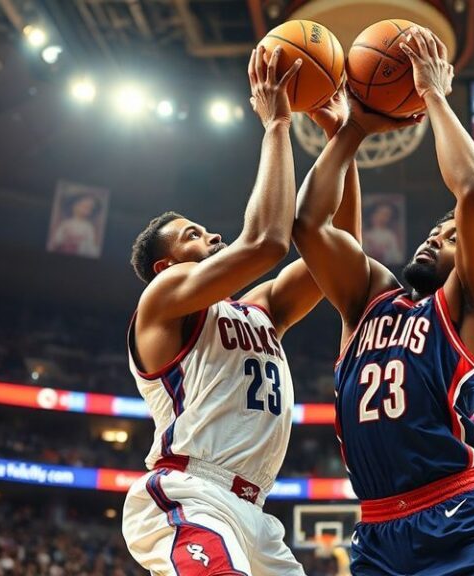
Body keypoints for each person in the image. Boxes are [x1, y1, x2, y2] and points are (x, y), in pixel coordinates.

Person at [293, 27, 474, 575]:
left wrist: (432, 94)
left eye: (450, 236)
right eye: (435, 229)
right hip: (377, 531)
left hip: (461, 520)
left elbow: (472, 190)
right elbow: (308, 225)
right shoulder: (370, 300)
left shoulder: (473, 307)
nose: (434, 236)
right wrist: (352, 130)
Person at [121, 46, 362, 576]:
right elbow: (266, 242)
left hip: (253, 513)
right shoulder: (161, 301)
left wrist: (343, 137)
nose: (210, 234)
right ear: (165, 266)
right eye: (192, 234)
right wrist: (276, 125)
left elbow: (341, 246)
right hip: (190, 494)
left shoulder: (260, 309)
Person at [48, 192, 101, 257]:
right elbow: (56, 240)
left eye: (88, 207)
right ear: (73, 205)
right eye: (82, 205)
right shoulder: (65, 224)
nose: (84, 209)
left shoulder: (88, 227)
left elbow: (91, 246)